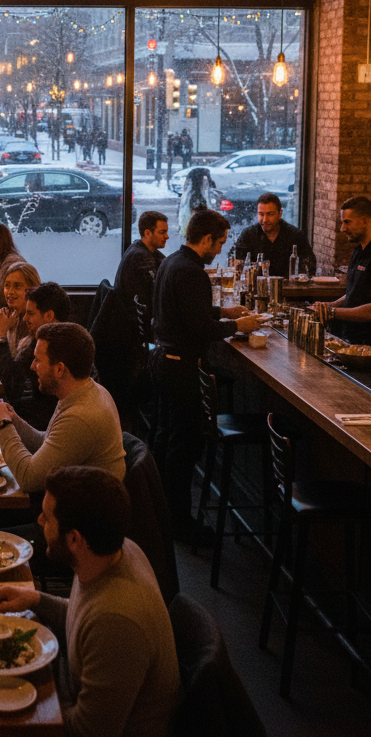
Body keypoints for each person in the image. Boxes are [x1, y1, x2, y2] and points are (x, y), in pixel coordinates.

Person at [0, 467, 180, 737]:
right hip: (67, 687)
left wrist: (28, 693)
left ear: (74, 539)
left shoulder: (118, 622)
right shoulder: (111, 555)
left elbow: (85, 731)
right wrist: (36, 599)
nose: (40, 520)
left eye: (48, 517)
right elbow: (85, 621)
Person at [149, 209, 258, 542]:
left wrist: (222, 310)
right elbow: (199, 328)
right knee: (183, 449)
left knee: (168, 442)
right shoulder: (192, 273)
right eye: (220, 243)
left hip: (163, 360)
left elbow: (187, 310)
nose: (220, 251)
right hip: (180, 366)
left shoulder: (172, 263)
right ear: (207, 239)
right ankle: (180, 525)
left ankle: (160, 513)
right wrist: (237, 325)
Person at [0, 322, 125, 493]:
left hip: (77, 514)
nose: (32, 366)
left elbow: (28, 479)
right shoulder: (80, 391)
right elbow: (45, 443)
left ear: (59, 369)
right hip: (67, 498)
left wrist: (3, 424)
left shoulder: (80, 417)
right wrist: (14, 420)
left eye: (37, 359)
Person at [313, 196, 371, 356]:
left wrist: (332, 313)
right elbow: (356, 292)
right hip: (352, 340)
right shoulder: (359, 250)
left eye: (347, 222)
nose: (342, 229)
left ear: (364, 221)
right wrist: (330, 305)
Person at [0, 281, 72, 430]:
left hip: (46, 426)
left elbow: (12, 384)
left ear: (48, 315)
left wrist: (1, 336)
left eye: (31, 313)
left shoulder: (55, 345)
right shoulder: (45, 338)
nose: (25, 319)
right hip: (37, 416)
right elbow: (15, 379)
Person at [233, 192, 316, 278]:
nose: (265, 220)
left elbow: (310, 267)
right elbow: (237, 268)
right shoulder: (248, 234)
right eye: (261, 214)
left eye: (270, 214)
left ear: (280, 214)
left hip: (287, 288)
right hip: (257, 287)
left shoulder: (296, 236)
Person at [114, 210, 169, 317]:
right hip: (133, 322)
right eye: (162, 232)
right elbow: (156, 293)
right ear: (148, 233)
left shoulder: (138, 247)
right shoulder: (141, 257)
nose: (167, 236)